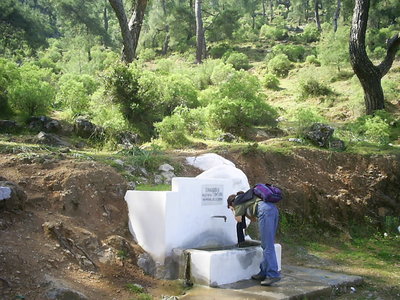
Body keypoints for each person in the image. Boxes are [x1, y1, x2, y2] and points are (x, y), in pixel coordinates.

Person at [227, 192, 281, 286]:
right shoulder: (246, 200)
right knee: (267, 244)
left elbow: (239, 220)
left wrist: (234, 211)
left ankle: (273, 275)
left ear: (231, 203)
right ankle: (263, 272)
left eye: (230, 207)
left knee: (267, 245)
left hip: (265, 212)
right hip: (273, 210)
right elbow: (253, 219)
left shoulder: (238, 201)